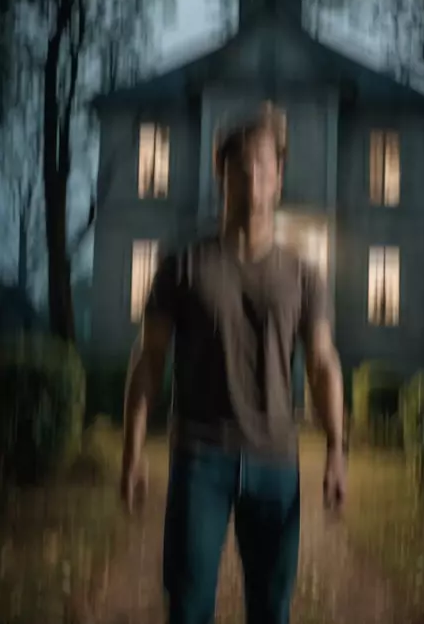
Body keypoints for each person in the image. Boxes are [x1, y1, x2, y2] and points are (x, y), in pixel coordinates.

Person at [120, 102, 346, 624]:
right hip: (200, 458)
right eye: (241, 165)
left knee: (270, 611)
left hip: (276, 463)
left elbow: (322, 363)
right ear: (221, 174)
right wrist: (132, 453)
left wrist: (337, 450)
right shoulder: (182, 265)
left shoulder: (303, 275)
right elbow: (148, 361)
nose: (253, 177)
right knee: (188, 607)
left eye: (264, 165)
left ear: (279, 176)